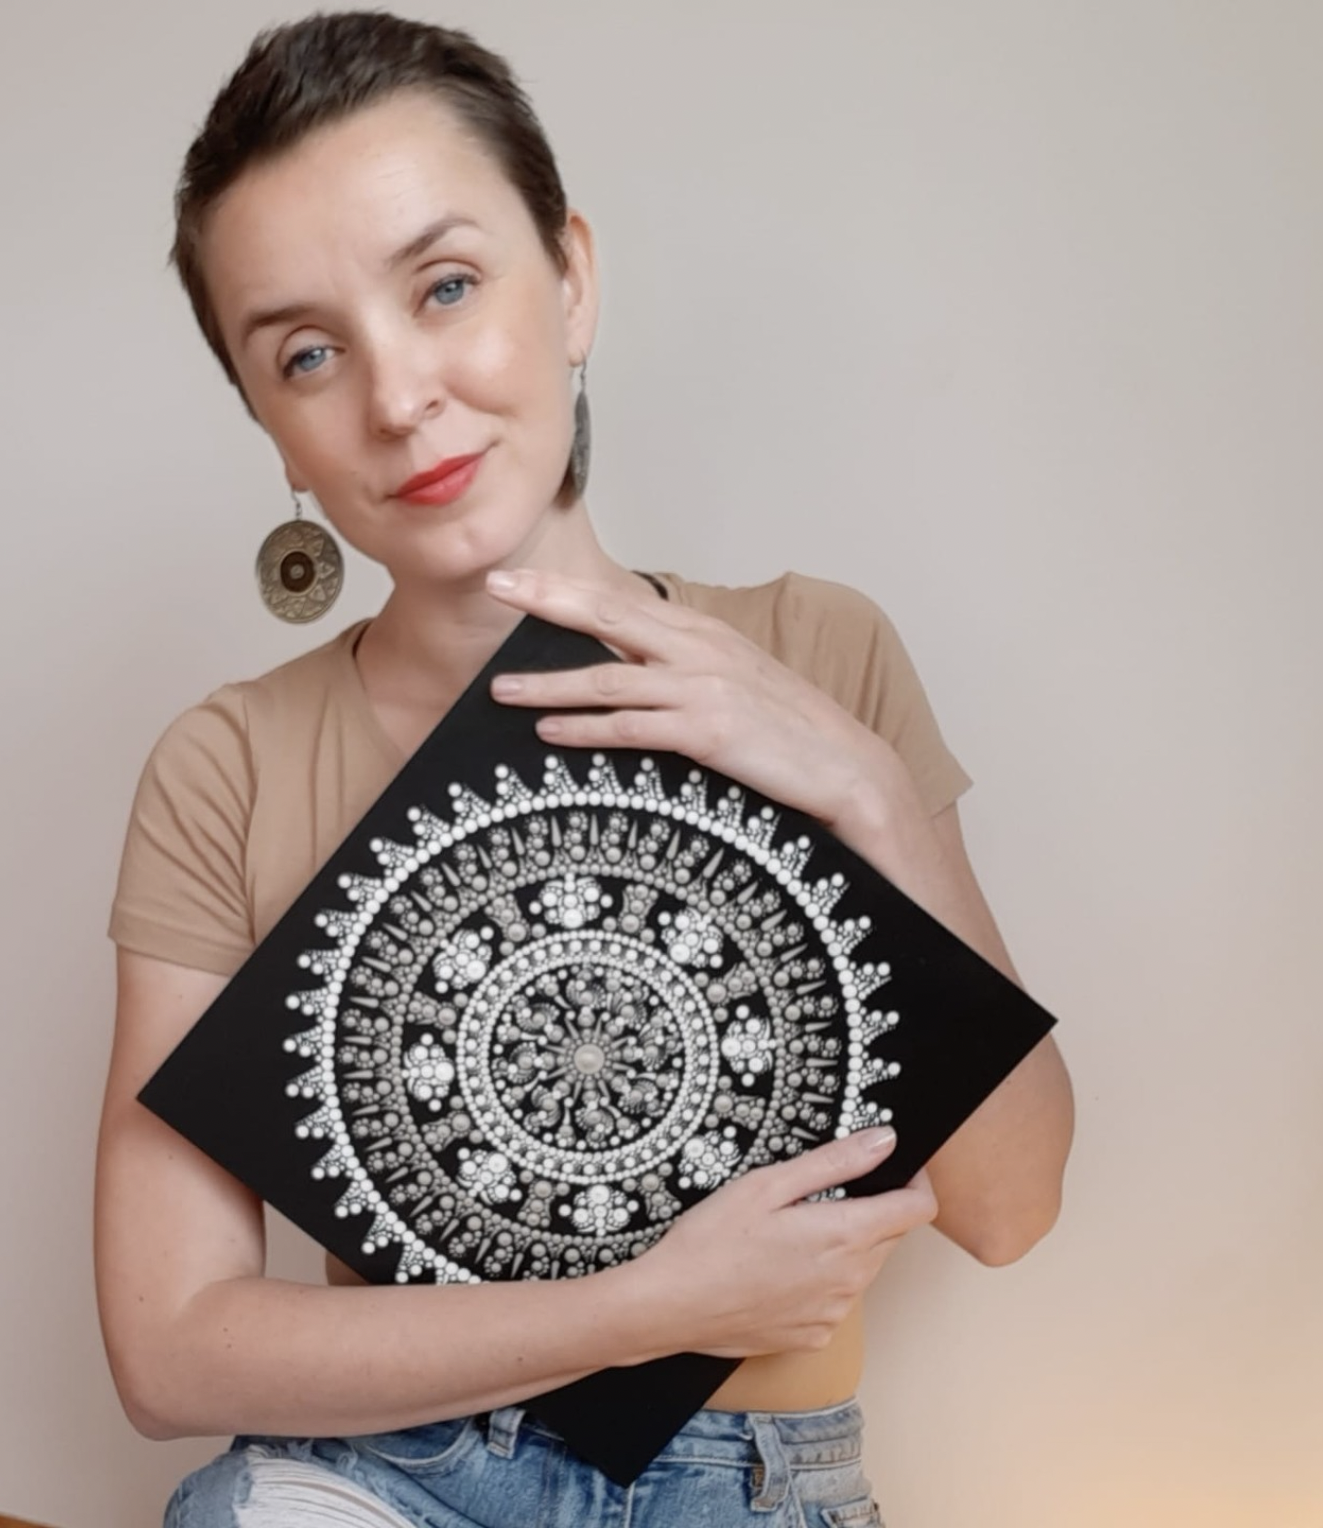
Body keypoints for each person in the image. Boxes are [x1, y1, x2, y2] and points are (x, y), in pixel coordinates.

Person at [95, 12, 1074, 1526]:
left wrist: (863, 788)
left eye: (445, 285)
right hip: (384, 1475)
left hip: (745, 1483)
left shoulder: (816, 647)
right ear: (272, 432)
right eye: (305, 352)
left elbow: (1011, 1208)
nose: (398, 395)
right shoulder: (228, 762)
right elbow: (169, 1349)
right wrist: (647, 1303)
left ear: (571, 282)